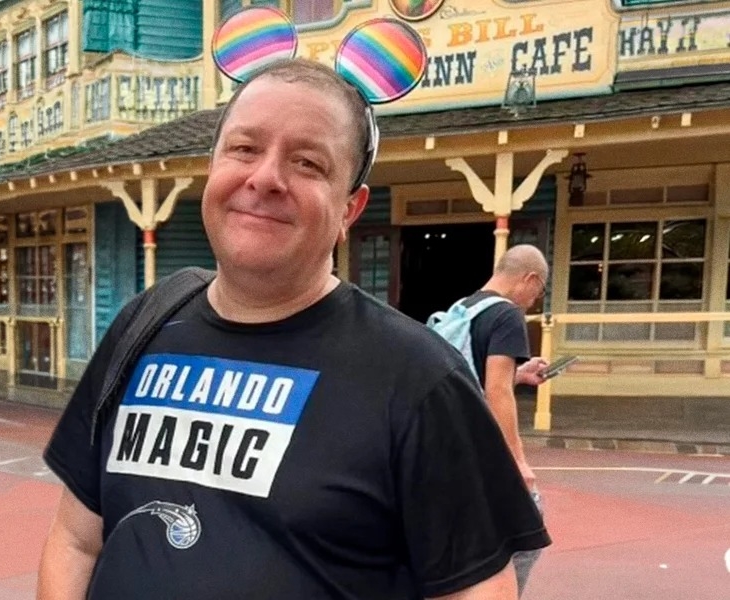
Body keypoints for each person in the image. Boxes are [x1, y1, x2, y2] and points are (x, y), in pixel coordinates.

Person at [37, 58, 550, 600]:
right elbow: (76, 540)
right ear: (213, 166)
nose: (265, 178)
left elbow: (479, 590)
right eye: (244, 148)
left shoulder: (420, 379)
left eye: (307, 163)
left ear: (350, 209)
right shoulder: (144, 323)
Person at [459, 244, 551, 596]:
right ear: (530, 279)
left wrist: (520, 374)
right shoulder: (507, 315)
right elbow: (497, 391)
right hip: (484, 454)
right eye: (538, 292)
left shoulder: (462, 310)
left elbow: (471, 381)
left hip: (453, 449)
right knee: (526, 536)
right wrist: (518, 460)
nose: (533, 301)